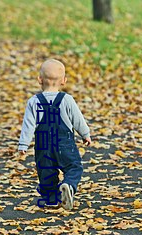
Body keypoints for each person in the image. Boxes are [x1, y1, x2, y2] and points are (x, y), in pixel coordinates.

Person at [18, 59, 91, 210]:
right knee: (74, 167)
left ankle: (51, 199)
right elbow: (77, 119)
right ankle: (68, 185)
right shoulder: (67, 100)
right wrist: (85, 134)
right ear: (64, 81)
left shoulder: (33, 102)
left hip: (43, 145)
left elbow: (28, 125)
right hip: (64, 144)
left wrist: (23, 144)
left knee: (46, 173)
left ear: (40, 79)